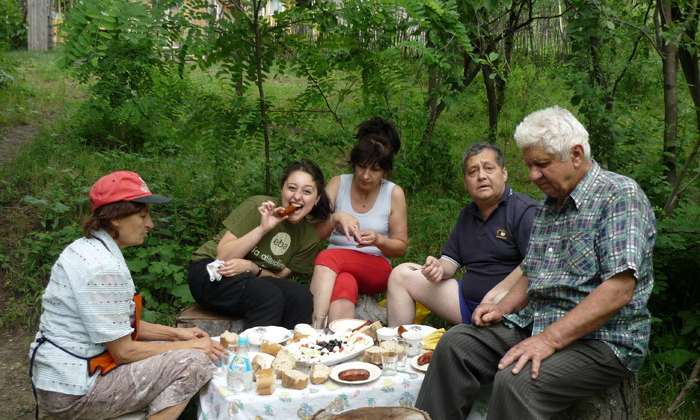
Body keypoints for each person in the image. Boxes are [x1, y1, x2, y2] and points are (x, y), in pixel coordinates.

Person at [415, 106, 656, 420]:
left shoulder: (620, 196)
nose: (533, 176)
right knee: (457, 343)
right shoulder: (550, 204)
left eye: (541, 164)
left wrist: (547, 340)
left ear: (576, 154)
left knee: (517, 382)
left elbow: (618, 289)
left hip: (604, 340)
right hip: (539, 323)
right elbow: (532, 269)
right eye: (529, 165)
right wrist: (503, 306)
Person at [29, 171, 225, 420]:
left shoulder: (87, 248)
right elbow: (123, 352)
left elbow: (118, 325)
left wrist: (177, 336)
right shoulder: (102, 267)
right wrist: (191, 350)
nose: (150, 225)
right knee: (195, 363)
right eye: (143, 215)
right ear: (116, 218)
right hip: (75, 392)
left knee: (187, 349)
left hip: (65, 377)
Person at [386, 143, 537, 327]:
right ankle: (394, 347)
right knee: (400, 275)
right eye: (473, 172)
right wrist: (438, 267)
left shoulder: (524, 211)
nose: (481, 176)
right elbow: (451, 260)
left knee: (501, 298)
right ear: (466, 182)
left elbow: (535, 264)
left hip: (507, 307)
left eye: (489, 168)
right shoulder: (467, 213)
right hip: (465, 303)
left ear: (504, 173)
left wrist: (499, 293)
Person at [188, 160, 332, 329]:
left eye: (307, 191)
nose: (297, 196)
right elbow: (223, 257)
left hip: (251, 280)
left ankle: (291, 352)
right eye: (292, 188)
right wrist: (263, 228)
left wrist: (251, 267)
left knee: (301, 296)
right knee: (268, 295)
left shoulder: (309, 238)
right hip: (211, 272)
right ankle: (255, 353)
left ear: (317, 199)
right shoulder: (259, 207)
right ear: (282, 190)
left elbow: (278, 278)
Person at [310, 117, 408, 323]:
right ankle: (338, 341)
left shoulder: (393, 193)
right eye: (361, 167)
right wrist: (335, 218)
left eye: (375, 170)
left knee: (328, 257)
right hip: (337, 269)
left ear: (385, 170)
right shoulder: (338, 183)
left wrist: (378, 240)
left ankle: (316, 326)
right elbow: (313, 236)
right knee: (345, 282)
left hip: (375, 266)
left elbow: (401, 248)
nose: (365, 175)